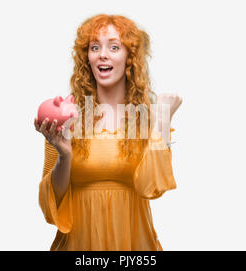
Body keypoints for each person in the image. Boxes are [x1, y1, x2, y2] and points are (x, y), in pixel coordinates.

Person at [34, 14, 182, 251]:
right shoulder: (68, 119)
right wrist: (65, 156)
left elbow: (151, 187)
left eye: (114, 47)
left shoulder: (148, 119)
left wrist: (162, 122)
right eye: (95, 47)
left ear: (130, 57)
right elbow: (52, 207)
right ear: (87, 59)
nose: (103, 54)